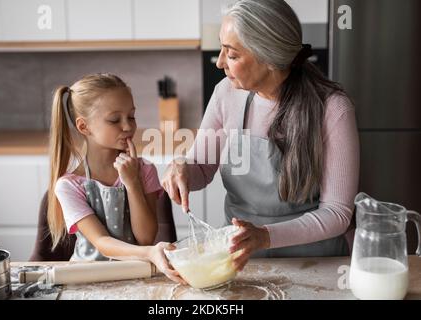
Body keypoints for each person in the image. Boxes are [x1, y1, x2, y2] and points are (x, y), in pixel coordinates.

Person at [161, 0, 359, 271]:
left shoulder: (332, 108)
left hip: (318, 261)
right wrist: (183, 168)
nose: (220, 62)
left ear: (269, 58)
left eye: (231, 55)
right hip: (242, 258)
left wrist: (265, 236)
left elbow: (337, 213)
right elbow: (201, 168)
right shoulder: (225, 93)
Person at [47, 73, 183, 284]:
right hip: (86, 279)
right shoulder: (69, 186)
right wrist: (149, 253)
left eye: (131, 117)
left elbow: (145, 238)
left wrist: (132, 183)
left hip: (136, 277)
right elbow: (101, 241)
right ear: (84, 127)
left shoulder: (144, 170)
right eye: (114, 120)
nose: (128, 126)